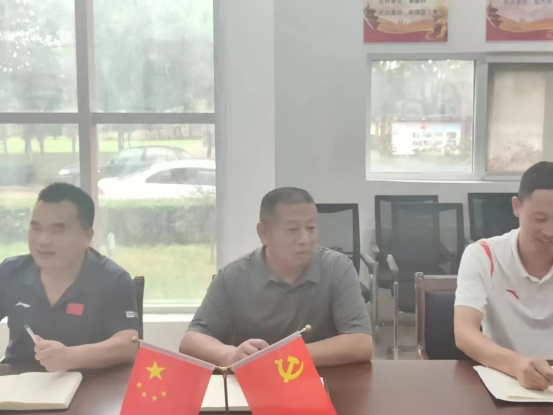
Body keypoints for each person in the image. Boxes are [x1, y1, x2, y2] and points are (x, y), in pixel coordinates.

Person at [180, 187, 373, 367]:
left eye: (311, 228)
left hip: (320, 381)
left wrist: (281, 356)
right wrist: (230, 354)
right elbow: (192, 341)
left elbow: (361, 343)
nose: (305, 239)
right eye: (292, 230)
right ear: (264, 233)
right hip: (253, 382)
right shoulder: (233, 276)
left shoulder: (336, 267)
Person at [0, 183, 139, 371]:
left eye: (58, 230)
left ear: (87, 237)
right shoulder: (11, 271)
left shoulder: (112, 279)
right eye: (36, 228)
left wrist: (71, 356)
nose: (43, 240)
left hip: (89, 381)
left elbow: (128, 345)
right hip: (19, 380)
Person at [455, 161, 553, 391]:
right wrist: (516, 364)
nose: (550, 232)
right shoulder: (483, 255)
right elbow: (464, 332)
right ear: (516, 206)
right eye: (540, 219)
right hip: (505, 379)